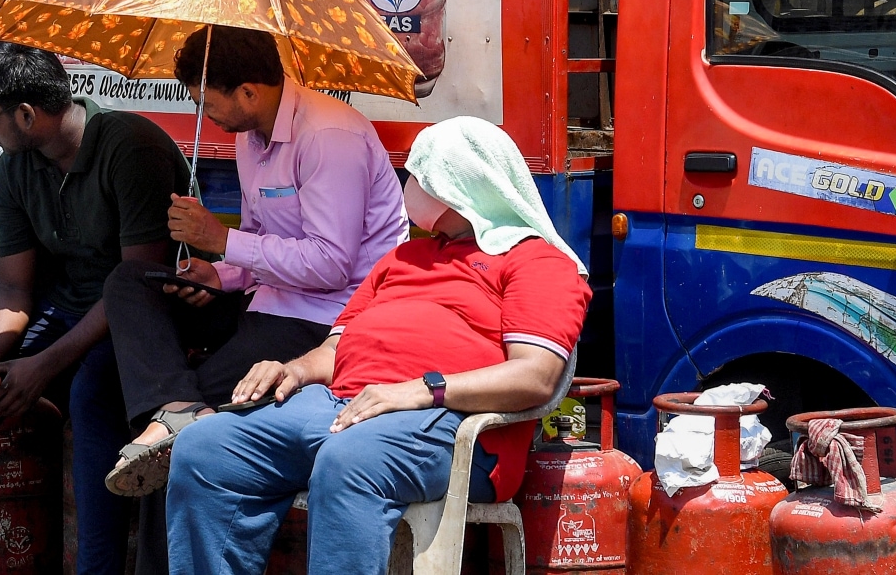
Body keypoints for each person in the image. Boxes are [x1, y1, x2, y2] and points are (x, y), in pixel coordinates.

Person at [165, 117, 592, 575]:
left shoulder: (539, 263)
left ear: (468, 185)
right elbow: (335, 347)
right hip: (340, 405)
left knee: (348, 459)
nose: (412, 188)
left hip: (448, 423)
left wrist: (420, 390)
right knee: (203, 449)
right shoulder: (404, 257)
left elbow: (537, 376)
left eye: (424, 179)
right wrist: (294, 370)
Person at [102, 25, 409, 571]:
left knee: (169, 452)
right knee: (129, 284)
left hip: (324, 317)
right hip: (266, 301)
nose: (205, 112)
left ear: (247, 91)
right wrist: (218, 273)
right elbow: (259, 241)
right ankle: (175, 407)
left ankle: (177, 420)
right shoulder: (250, 138)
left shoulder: (328, 136)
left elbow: (329, 264)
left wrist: (221, 241)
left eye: (206, 101)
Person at [0, 42, 189, 575]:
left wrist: (42, 366)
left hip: (139, 322)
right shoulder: (16, 169)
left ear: (27, 115)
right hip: (62, 313)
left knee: (90, 391)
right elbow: (13, 286)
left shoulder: (130, 146)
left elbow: (137, 284)